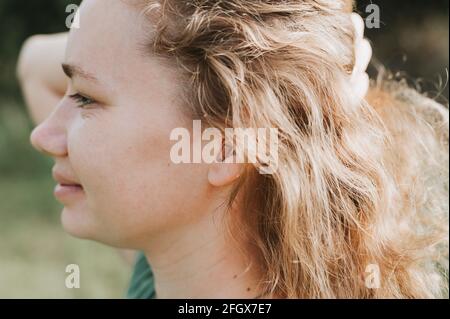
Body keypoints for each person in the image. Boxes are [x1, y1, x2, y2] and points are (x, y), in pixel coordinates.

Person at [17, 0, 448, 298]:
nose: (43, 137)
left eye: (87, 99)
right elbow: (34, 63)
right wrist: (312, 68)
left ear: (223, 147)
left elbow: (35, 64)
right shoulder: (173, 265)